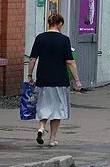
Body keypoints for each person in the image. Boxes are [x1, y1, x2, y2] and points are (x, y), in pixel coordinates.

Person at [27, 13, 81, 148]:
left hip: (43, 79)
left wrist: (30, 75)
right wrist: (77, 80)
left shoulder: (40, 38)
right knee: (57, 109)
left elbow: (32, 59)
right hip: (60, 80)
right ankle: (52, 139)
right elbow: (69, 62)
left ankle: (41, 128)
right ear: (59, 24)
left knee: (44, 106)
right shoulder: (64, 40)